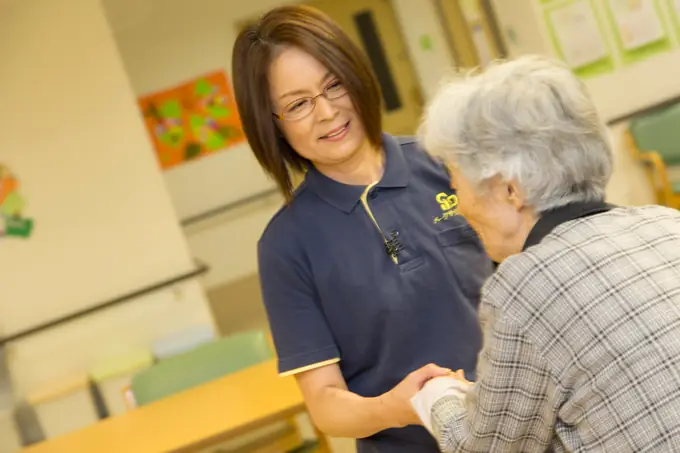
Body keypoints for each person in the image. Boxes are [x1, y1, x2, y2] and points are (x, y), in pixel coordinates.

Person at [231, 5, 493, 452]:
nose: (327, 112)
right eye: (297, 104)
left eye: (334, 84)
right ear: (271, 127)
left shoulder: (446, 161)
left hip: (528, 428)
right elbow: (326, 404)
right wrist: (401, 405)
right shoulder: (286, 246)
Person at [409, 54, 680, 452]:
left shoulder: (526, 285)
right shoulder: (664, 223)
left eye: (455, 180)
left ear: (509, 190)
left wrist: (437, 395)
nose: (457, 202)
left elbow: (483, 448)